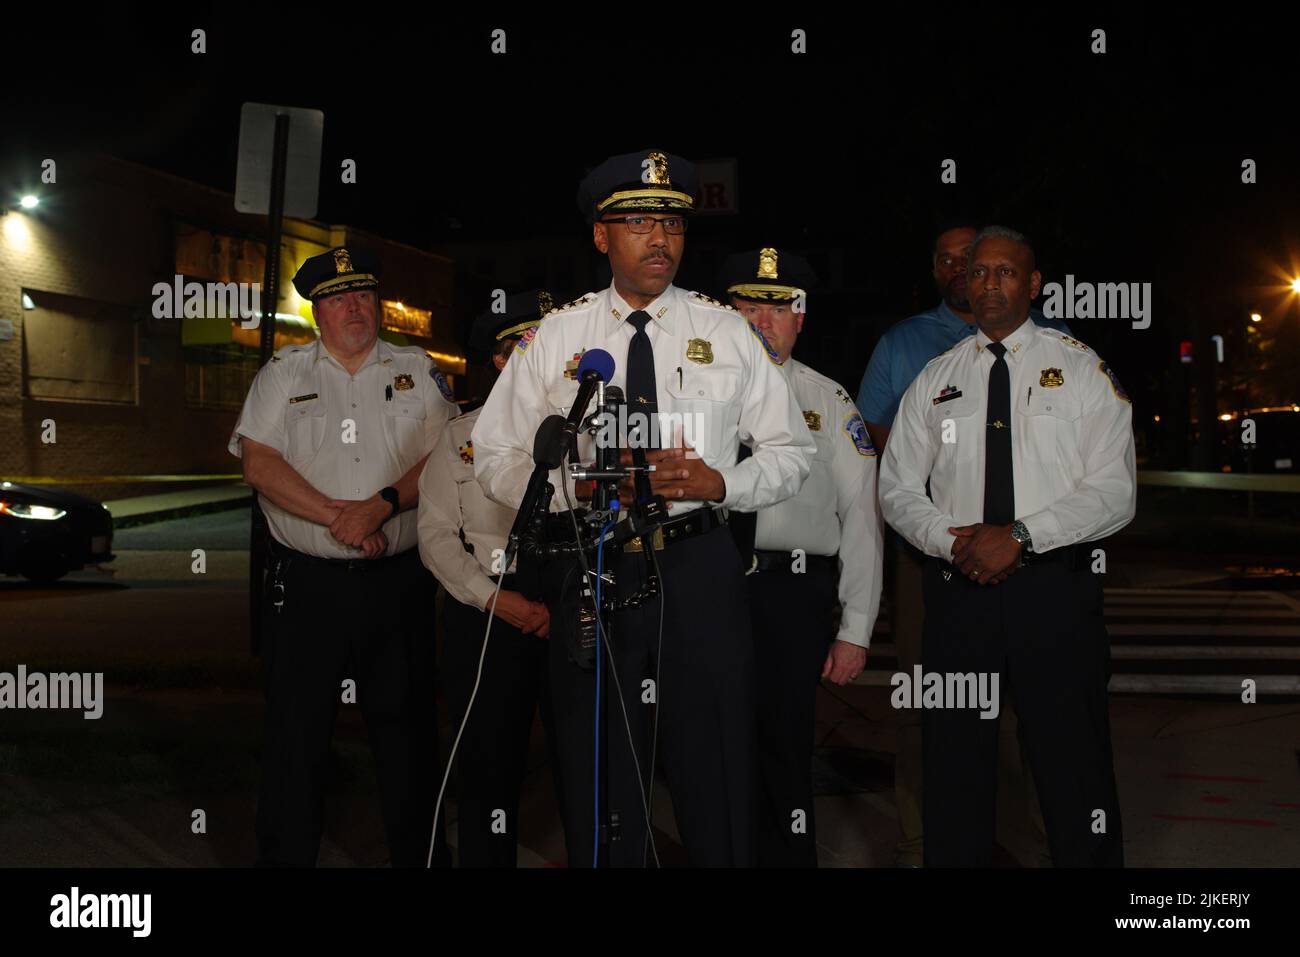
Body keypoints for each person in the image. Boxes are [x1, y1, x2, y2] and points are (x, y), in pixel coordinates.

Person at [471, 149, 815, 866]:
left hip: (699, 565)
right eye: (638, 223)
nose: (660, 239)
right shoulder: (558, 338)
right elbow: (495, 453)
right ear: (601, 237)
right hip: (594, 564)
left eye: (671, 224)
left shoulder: (728, 334)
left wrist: (721, 483)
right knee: (599, 766)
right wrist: (575, 490)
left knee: (714, 757)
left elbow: (792, 453)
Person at [878, 225, 1133, 867]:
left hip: (1054, 596)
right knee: (955, 764)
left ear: (1034, 283)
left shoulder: (1081, 370)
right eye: (978, 272)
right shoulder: (936, 378)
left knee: (1072, 764)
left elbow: (1115, 491)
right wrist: (953, 540)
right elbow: (898, 487)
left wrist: (1020, 537)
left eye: (1005, 272)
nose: (987, 283)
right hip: (960, 595)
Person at [230, 246, 458, 866]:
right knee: (295, 740)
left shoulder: (418, 368)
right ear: (316, 311)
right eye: (338, 297)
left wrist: (381, 506)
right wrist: (343, 518)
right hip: (308, 589)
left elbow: (449, 456)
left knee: (409, 739)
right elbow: (260, 463)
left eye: (363, 295)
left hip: (398, 585)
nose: (354, 308)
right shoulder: (284, 374)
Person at [856, 221, 1065, 866]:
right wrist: (930, 482)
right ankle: (927, 837)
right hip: (933, 547)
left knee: (1030, 705)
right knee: (931, 696)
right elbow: (868, 433)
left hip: (1030, 548)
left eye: (973, 262)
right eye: (949, 262)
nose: (961, 271)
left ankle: (1029, 837)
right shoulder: (907, 344)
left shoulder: (1052, 350)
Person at [721, 247, 883, 867]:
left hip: (792, 595)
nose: (764, 319)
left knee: (785, 748)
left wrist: (856, 629)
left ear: (801, 318)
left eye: (779, 306)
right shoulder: (701, 397)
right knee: (711, 744)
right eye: (750, 305)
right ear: (729, 312)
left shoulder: (830, 402)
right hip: (714, 586)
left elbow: (863, 519)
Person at [417, 290, 559, 867]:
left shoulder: (580, 427)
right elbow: (435, 536)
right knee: (487, 768)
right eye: (531, 344)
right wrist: (494, 600)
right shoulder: (459, 436)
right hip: (487, 617)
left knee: (582, 766)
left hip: (565, 613)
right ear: (501, 359)